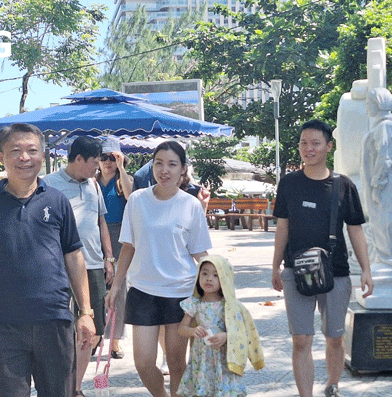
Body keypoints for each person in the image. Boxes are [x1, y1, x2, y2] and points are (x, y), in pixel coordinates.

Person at [0, 123, 95, 397]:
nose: (24, 158)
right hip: (1, 324)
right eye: (15, 151)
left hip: (54, 320)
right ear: (1, 157)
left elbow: (74, 257)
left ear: (42, 156)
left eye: (32, 150)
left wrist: (86, 313)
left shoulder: (57, 202)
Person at [271, 119, 374, 397]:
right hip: (296, 270)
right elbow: (283, 226)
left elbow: (355, 230)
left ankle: (333, 385)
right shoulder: (289, 184)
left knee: (334, 336)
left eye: (315, 143)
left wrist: (366, 269)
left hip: (336, 272)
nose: (308, 148)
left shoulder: (343, 186)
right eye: (304, 143)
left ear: (329, 146)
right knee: (301, 338)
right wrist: (275, 266)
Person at [106, 141, 212, 397]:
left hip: (181, 292)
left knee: (176, 363)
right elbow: (128, 246)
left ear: (183, 169)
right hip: (143, 290)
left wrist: (219, 284)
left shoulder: (191, 205)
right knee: (143, 363)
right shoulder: (138, 200)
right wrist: (117, 286)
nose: (164, 170)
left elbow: (200, 253)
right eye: (159, 163)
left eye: (172, 164)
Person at [43, 136, 115, 396]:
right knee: (60, 330)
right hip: (59, 267)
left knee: (91, 331)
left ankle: (75, 388)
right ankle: (60, 385)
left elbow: (101, 222)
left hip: (94, 265)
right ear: (78, 159)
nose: (98, 167)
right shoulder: (48, 185)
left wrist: (109, 258)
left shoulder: (94, 185)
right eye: (94, 162)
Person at [177, 255, 264, 397]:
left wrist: (226, 336)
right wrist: (193, 331)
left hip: (224, 359)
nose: (209, 278)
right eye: (204, 273)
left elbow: (242, 331)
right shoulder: (194, 303)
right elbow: (181, 329)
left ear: (224, 279)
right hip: (202, 359)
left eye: (216, 275)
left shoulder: (230, 306)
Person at [96, 137, 134, 359]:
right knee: (96, 287)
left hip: (120, 235)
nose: (108, 162)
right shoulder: (91, 181)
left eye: (113, 157)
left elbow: (131, 197)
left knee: (118, 289)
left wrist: (121, 169)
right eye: (104, 157)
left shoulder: (123, 181)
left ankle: (115, 339)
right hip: (95, 235)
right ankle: (97, 335)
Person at [361, 87, 392, 268]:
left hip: (383, 188)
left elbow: (386, 157)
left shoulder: (386, 127)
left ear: (379, 103)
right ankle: (385, 258)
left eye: (369, 103)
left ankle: (390, 260)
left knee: (385, 223)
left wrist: (377, 185)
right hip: (379, 186)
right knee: (380, 223)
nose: (366, 107)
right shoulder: (381, 126)